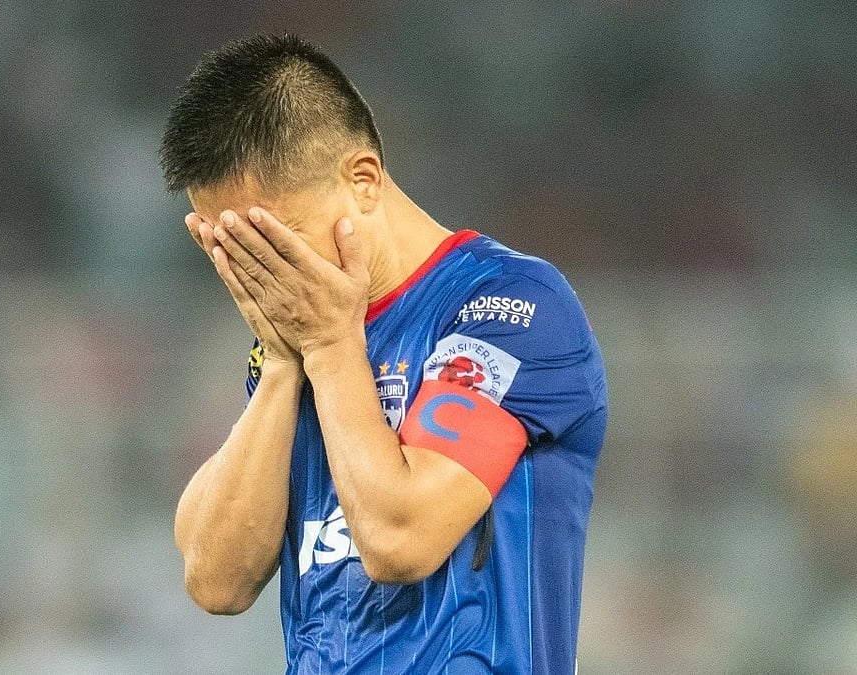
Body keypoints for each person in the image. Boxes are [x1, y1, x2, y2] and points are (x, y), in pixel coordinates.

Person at [161, 34, 607, 674]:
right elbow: (215, 579)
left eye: (270, 239)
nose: (261, 271)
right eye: (231, 248)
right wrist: (284, 365)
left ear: (362, 181)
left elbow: (402, 538)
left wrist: (328, 347)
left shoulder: (511, 306)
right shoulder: (304, 342)